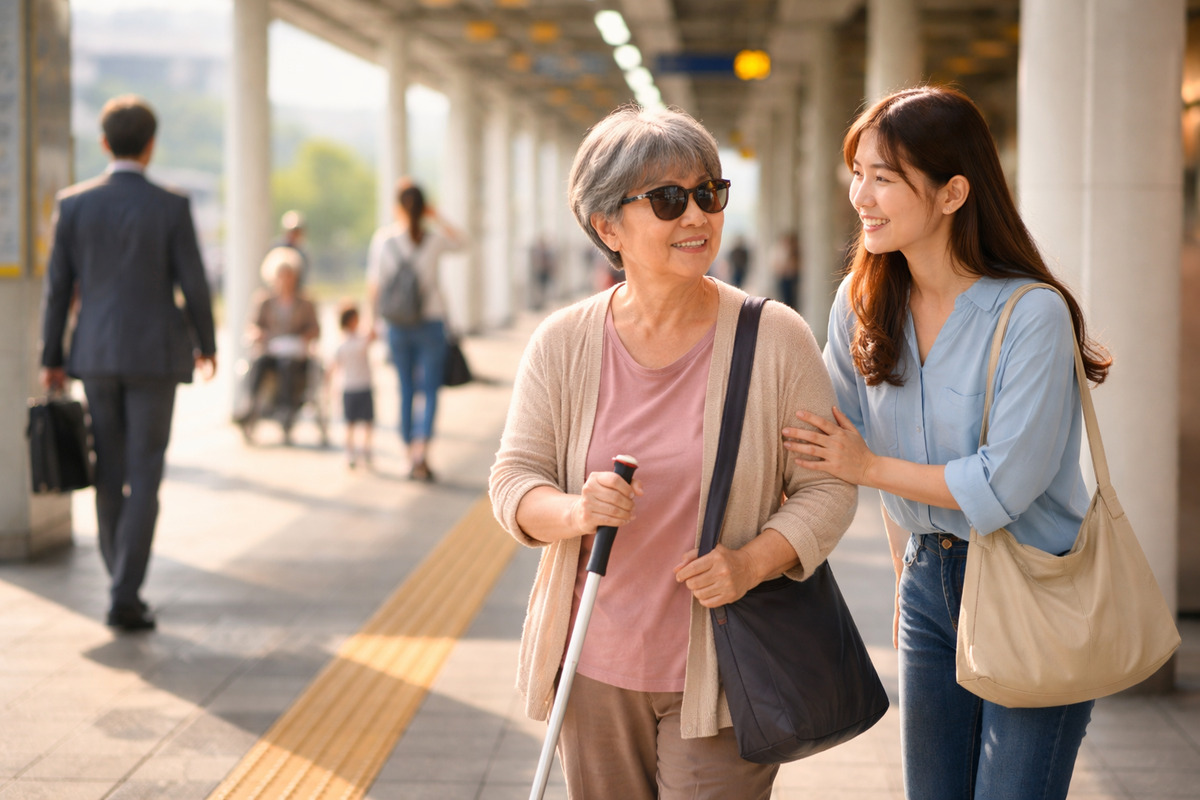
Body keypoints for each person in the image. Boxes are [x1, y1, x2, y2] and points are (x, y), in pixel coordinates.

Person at [489, 105, 857, 799]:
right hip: (593, 665)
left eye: (708, 194)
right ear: (607, 226)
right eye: (667, 200)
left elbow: (828, 487)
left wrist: (753, 561)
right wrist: (577, 510)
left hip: (727, 667)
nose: (696, 217)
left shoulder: (774, 337)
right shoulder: (563, 342)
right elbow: (514, 481)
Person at [781, 86, 1111, 799]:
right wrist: (907, 570)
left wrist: (867, 466)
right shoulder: (861, 304)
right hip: (928, 583)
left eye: (884, 177)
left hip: (1034, 585)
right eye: (858, 171)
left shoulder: (1032, 314)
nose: (860, 195)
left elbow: (1001, 487)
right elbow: (836, 444)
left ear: (953, 192)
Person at [40, 94, 217, 633]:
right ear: (151, 145)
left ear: (104, 143)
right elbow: (194, 284)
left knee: (109, 472)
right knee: (145, 474)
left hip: (93, 355)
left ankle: (120, 581)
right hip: (155, 356)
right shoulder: (172, 205)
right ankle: (124, 592)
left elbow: (56, 290)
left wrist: (52, 357)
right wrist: (207, 344)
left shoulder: (73, 205)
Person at [365, 181, 465, 482]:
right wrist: (437, 216)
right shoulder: (433, 240)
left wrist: (373, 321)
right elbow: (464, 242)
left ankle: (409, 455)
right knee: (430, 389)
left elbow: (375, 285)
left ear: (396, 207)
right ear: (425, 208)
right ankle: (422, 452)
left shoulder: (384, 241)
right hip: (432, 322)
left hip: (397, 324)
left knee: (405, 389)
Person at [238, 247, 320, 444]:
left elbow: (315, 329)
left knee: (287, 365)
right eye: (281, 276)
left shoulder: (305, 301)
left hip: (295, 354)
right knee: (257, 363)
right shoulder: (264, 300)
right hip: (271, 350)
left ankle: (286, 411)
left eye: (289, 275)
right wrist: (259, 334)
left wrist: (303, 338)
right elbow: (252, 326)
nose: (285, 280)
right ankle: (248, 407)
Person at [330, 301, 375, 469]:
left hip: (358, 386)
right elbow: (334, 366)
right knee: (353, 424)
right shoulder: (348, 342)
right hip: (352, 387)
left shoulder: (350, 341)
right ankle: (353, 451)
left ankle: (364, 450)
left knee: (362, 423)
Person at [274, 209, 310, 287]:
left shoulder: (302, 252)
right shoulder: (276, 249)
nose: (293, 235)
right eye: (291, 232)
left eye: (297, 232)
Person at [770, 230, 801, 308]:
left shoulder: (794, 252)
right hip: (783, 280)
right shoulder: (779, 251)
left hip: (792, 280)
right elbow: (775, 266)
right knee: (784, 300)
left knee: (792, 301)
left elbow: (796, 266)